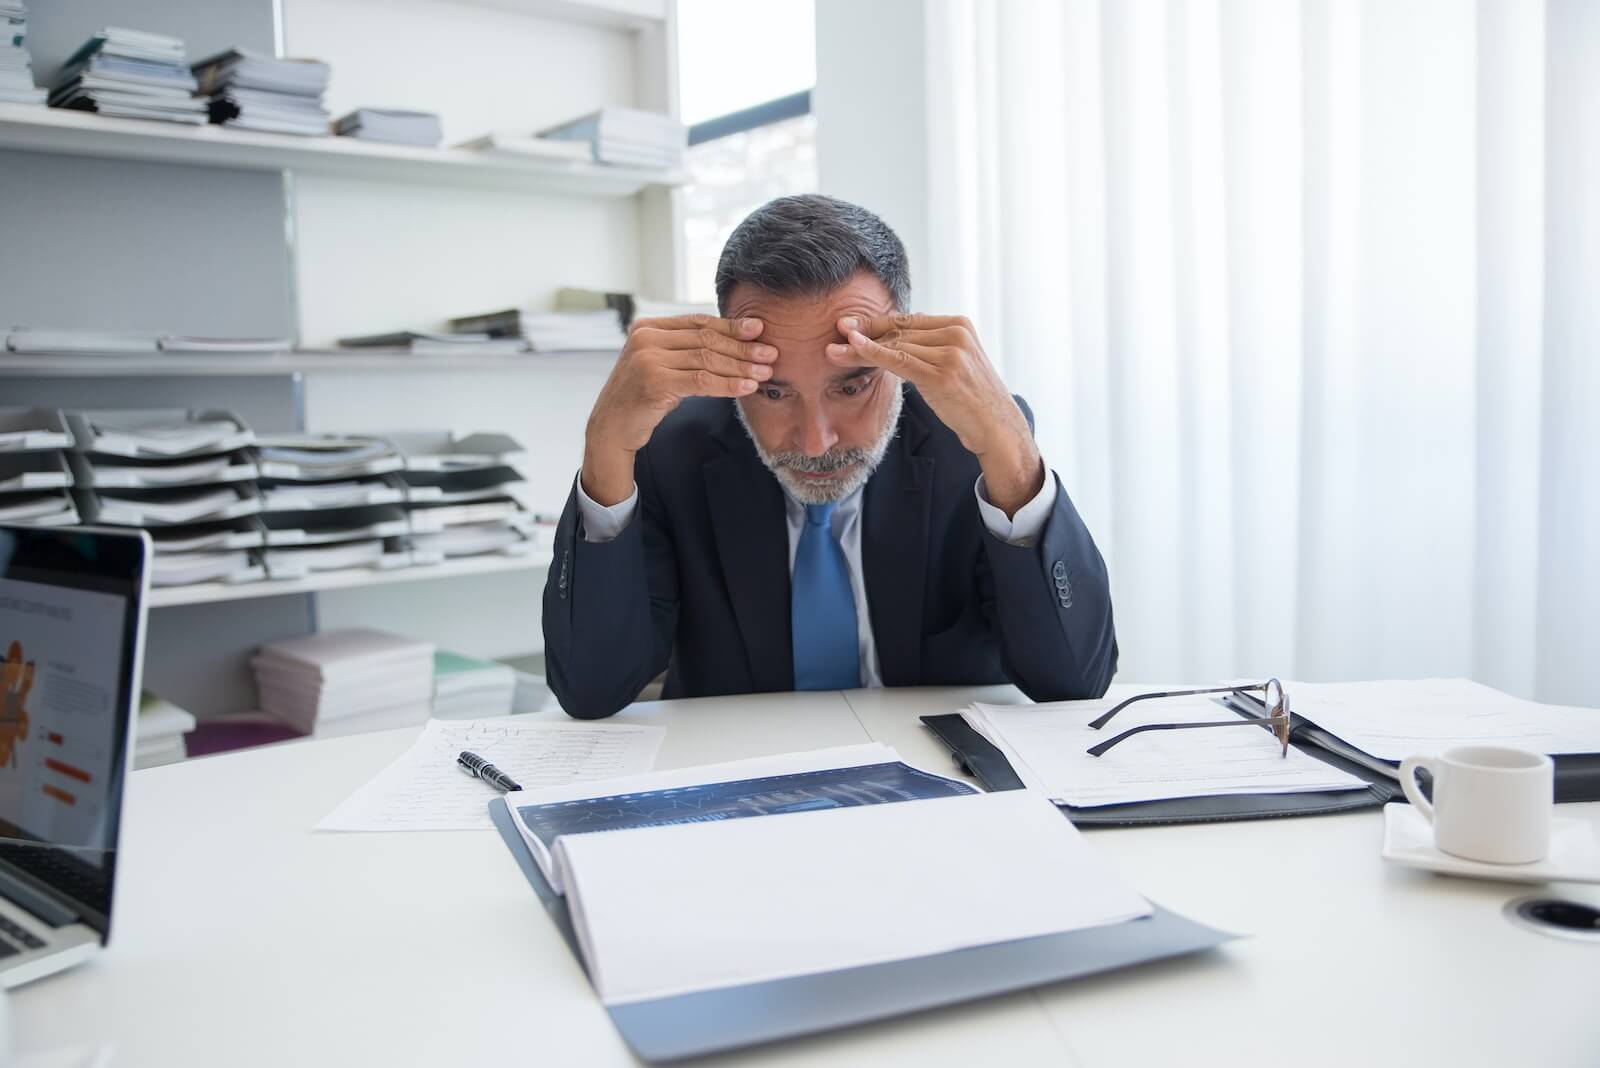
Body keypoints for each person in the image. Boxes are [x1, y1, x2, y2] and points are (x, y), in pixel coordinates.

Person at [543, 194, 1116, 718]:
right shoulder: (669, 448)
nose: (816, 442)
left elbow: (1073, 683)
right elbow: (591, 690)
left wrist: (1012, 453)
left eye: (851, 386)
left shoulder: (971, 440)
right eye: (773, 391)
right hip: (736, 786)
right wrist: (605, 450)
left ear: (903, 350)